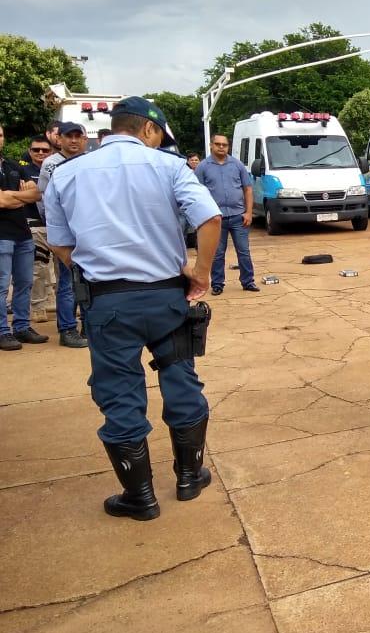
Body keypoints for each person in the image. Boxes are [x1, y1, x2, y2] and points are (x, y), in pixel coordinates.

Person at [44, 97, 222, 521]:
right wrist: (200, 273)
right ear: (147, 129)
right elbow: (210, 219)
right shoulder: (169, 167)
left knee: (119, 393)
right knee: (180, 378)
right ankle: (188, 477)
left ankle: (140, 497)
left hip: (107, 304)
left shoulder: (66, 174)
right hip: (167, 298)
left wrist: (95, 269)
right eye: (159, 135)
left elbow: (59, 242)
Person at [38, 123, 89, 347]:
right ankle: (67, 329)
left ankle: (88, 324)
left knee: (88, 278)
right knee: (67, 282)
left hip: (86, 230)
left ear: (85, 140)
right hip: (64, 232)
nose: (74, 141)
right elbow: (45, 200)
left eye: (79, 136)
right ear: (59, 139)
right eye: (69, 136)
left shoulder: (90, 161)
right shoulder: (51, 164)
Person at [0, 123, 48, 350]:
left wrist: (11, 195)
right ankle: (2, 331)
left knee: (25, 283)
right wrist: (19, 195)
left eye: (0, 134)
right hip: (1, 236)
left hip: (23, 234)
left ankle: (21, 327)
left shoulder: (12, 165)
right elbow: (3, 201)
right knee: (1, 286)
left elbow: (37, 193)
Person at [194, 135, 257, 294]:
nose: (221, 147)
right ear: (211, 145)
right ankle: (217, 284)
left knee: (243, 251)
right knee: (217, 253)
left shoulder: (237, 165)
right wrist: (202, 217)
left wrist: (249, 212)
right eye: (218, 144)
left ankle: (248, 282)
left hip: (238, 217)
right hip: (215, 219)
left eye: (224, 145)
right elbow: (196, 193)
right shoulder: (203, 167)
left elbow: (248, 189)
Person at [19, 136, 55, 322]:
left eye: (44, 150)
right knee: (39, 267)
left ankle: (60, 303)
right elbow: (27, 196)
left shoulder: (57, 168)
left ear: (51, 152)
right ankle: (38, 306)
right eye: (36, 150)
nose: (40, 153)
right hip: (36, 224)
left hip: (58, 224)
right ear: (30, 151)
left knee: (63, 268)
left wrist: (33, 193)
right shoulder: (23, 170)